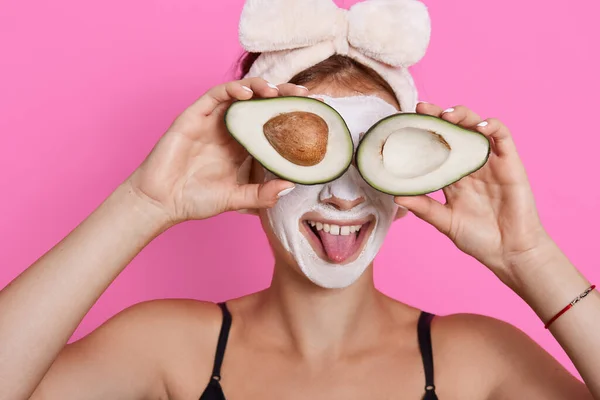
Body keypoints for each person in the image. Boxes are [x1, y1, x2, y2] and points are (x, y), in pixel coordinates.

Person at [1, 1, 598, 399]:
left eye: (373, 153)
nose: (344, 195)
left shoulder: (476, 360)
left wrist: (529, 255)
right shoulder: (168, 347)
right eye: (308, 151)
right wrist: (143, 202)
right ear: (251, 161)